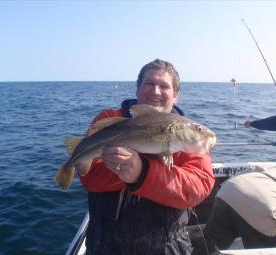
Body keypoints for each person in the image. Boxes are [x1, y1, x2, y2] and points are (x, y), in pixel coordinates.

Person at [79, 59, 215, 255]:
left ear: (176, 95)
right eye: (149, 84)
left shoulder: (187, 135)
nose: (156, 91)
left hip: (167, 248)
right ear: (137, 89)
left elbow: (198, 187)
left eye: (164, 86)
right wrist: (125, 169)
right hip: (105, 247)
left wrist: (142, 173)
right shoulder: (109, 119)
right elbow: (89, 176)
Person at [191, 164, 276, 254]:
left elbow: (255, 169)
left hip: (229, 189)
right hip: (262, 206)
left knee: (210, 242)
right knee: (266, 251)